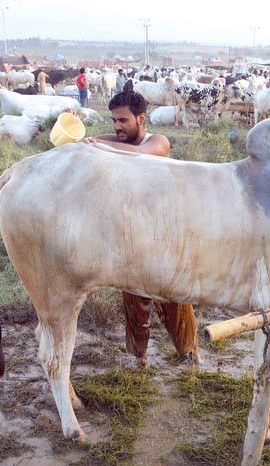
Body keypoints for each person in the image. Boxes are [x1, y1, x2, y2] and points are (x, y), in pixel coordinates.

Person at [82, 90, 200, 367]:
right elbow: (95, 141)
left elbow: (140, 154)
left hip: (164, 237)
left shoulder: (157, 142)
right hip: (132, 238)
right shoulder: (115, 140)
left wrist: (98, 146)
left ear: (141, 118)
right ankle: (140, 358)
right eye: (114, 121)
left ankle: (190, 352)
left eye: (123, 120)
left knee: (176, 299)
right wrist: (86, 141)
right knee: (135, 305)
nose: (117, 126)